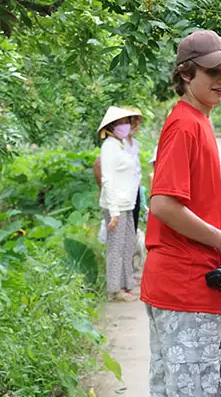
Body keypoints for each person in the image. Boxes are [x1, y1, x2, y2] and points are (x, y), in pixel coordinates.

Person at [140, 29, 221, 397]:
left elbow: (190, 203)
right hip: (184, 286)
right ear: (186, 74)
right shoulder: (184, 124)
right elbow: (162, 204)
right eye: (213, 72)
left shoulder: (200, 121)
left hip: (187, 286)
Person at [97, 106, 144, 302]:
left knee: (128, 245)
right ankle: (114, 290)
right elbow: (108, 179)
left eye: (127, 122)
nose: (125, 126)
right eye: (121, 123)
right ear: (111, 127)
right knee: (116, 248)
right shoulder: (108, 146)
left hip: (127, 203)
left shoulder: (121, 145)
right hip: (115, 205)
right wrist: (114, 212)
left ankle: (126, 285)